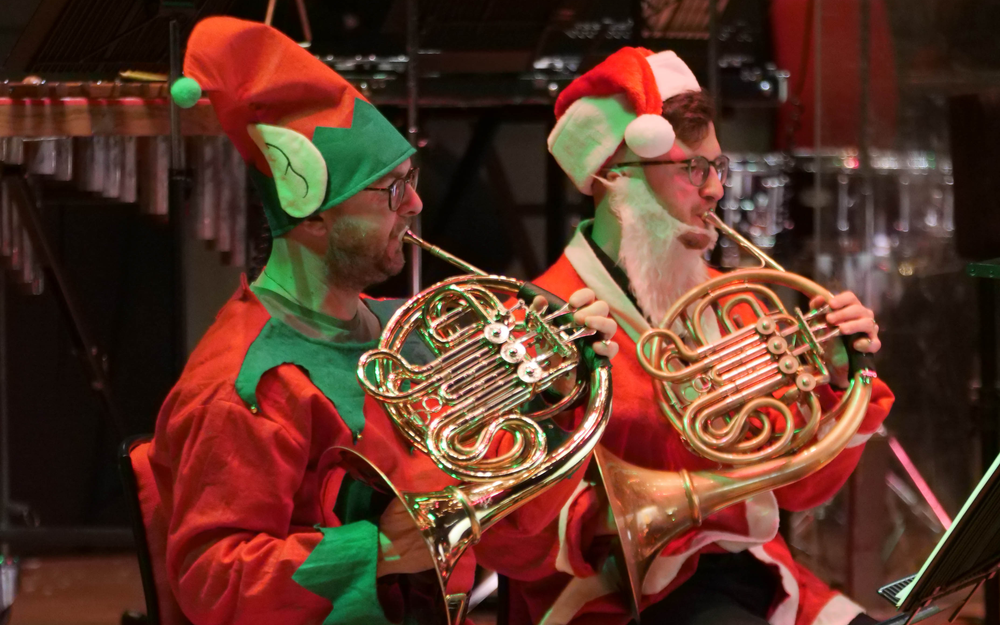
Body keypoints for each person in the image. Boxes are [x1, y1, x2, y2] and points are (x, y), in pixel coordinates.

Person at [142, 17, 619, 625]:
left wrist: (555, 391)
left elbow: (515, 536)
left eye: (410, 180)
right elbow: (213, 580)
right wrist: (380, 550)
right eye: (390, 190)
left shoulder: (409, 333)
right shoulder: (247, 383)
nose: (415, 204)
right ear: (313, 214)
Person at [474, 47, 895, 625]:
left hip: (752, 578)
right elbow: (506, 538)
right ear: (615, 179)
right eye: (692, 169)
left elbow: (798, 490)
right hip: (610, 599)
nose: (716, 190)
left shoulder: (734, 301)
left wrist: (838, 381)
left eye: (718, 167)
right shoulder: (529, 323)